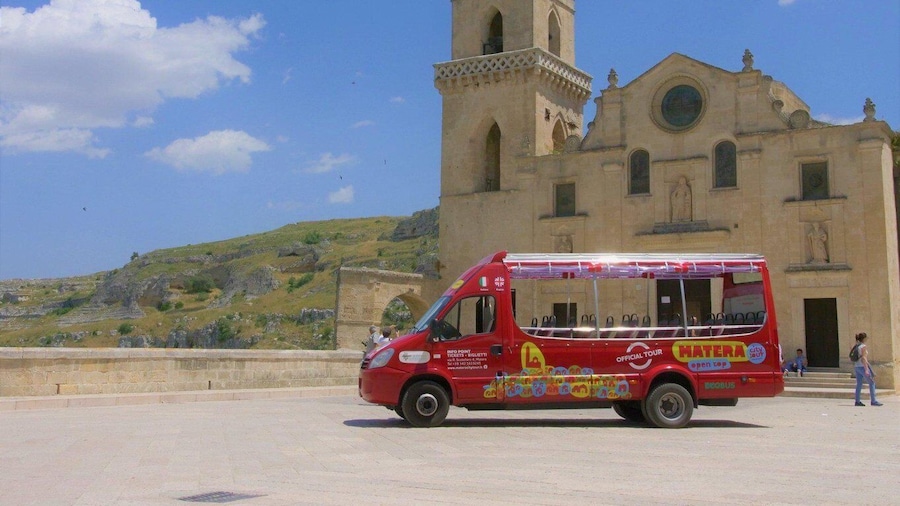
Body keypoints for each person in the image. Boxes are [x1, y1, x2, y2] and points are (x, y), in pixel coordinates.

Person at [852, 332, 882, 406]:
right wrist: (866, 369)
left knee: (859, 384)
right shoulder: (863, 346)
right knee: (871, 383)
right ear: (864, 338)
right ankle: (873, 401)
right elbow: (864, 358)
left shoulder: (856, 346)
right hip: (862, 366)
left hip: (857, 366)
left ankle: (857, 401)